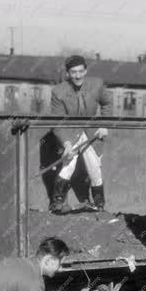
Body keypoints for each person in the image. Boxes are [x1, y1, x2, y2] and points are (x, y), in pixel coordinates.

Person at [50, 54, 114, 213]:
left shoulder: (97, 85)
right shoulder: (58, 92)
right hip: (71, 133)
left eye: (80, 71)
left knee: (94, 168)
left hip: (92, 132)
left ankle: (99, 205)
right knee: (68, 165)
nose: (77, 76)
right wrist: (66, 143)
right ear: (67, 73)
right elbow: (57, 122)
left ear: (86, 71)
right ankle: (57, 203)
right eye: (73, 72)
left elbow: (107, 103)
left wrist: (105, 125)